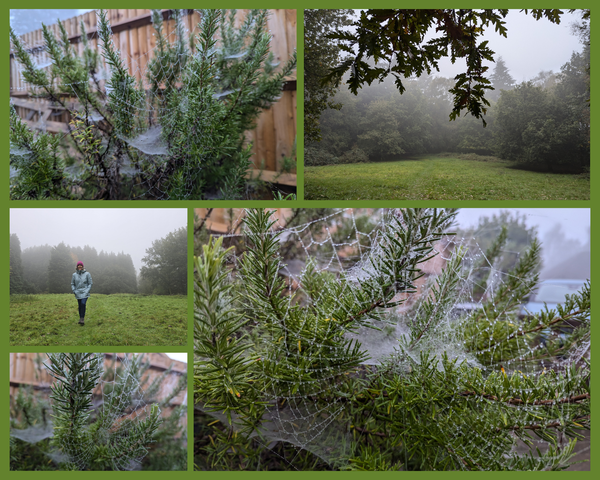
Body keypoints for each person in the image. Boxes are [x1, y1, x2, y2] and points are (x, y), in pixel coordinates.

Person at [71, 261, 93, 326]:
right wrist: (74, 291)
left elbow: (90, 283)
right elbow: (72, 284)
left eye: (81, 265)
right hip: (77, 293)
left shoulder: (87, 274)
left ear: (83, 266)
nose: (80, 266)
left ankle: (82, 318)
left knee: (83, 304)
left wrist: (87, 291)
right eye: (78, 265)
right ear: (77, 267)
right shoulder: (74, 275)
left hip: (85, 292)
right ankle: (80, 318)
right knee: (80, 305)